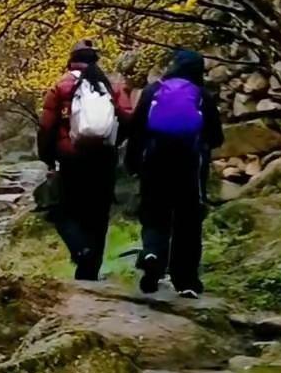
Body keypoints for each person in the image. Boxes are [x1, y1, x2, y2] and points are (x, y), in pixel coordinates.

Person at [126, 48, 222, 297]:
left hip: (154, 164)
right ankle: (186, 280)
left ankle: (152, 255)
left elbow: (136, 132)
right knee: (188, 221)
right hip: (189, 167)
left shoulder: (152, 91)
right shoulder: (201, 95)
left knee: (154, 213)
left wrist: (132, 163)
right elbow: (216, 137)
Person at [38, 42, 133, 281]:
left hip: (72, 158)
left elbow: (46, 127)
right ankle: (89, 273)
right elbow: (128, 119)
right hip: (104, 158)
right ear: (95, 61)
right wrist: (113, 143)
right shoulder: (111, 86)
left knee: (65, 211)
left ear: (71, 61)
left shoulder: (61, 87)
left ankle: (80, 249)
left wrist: (49, 157)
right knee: (98, 214)